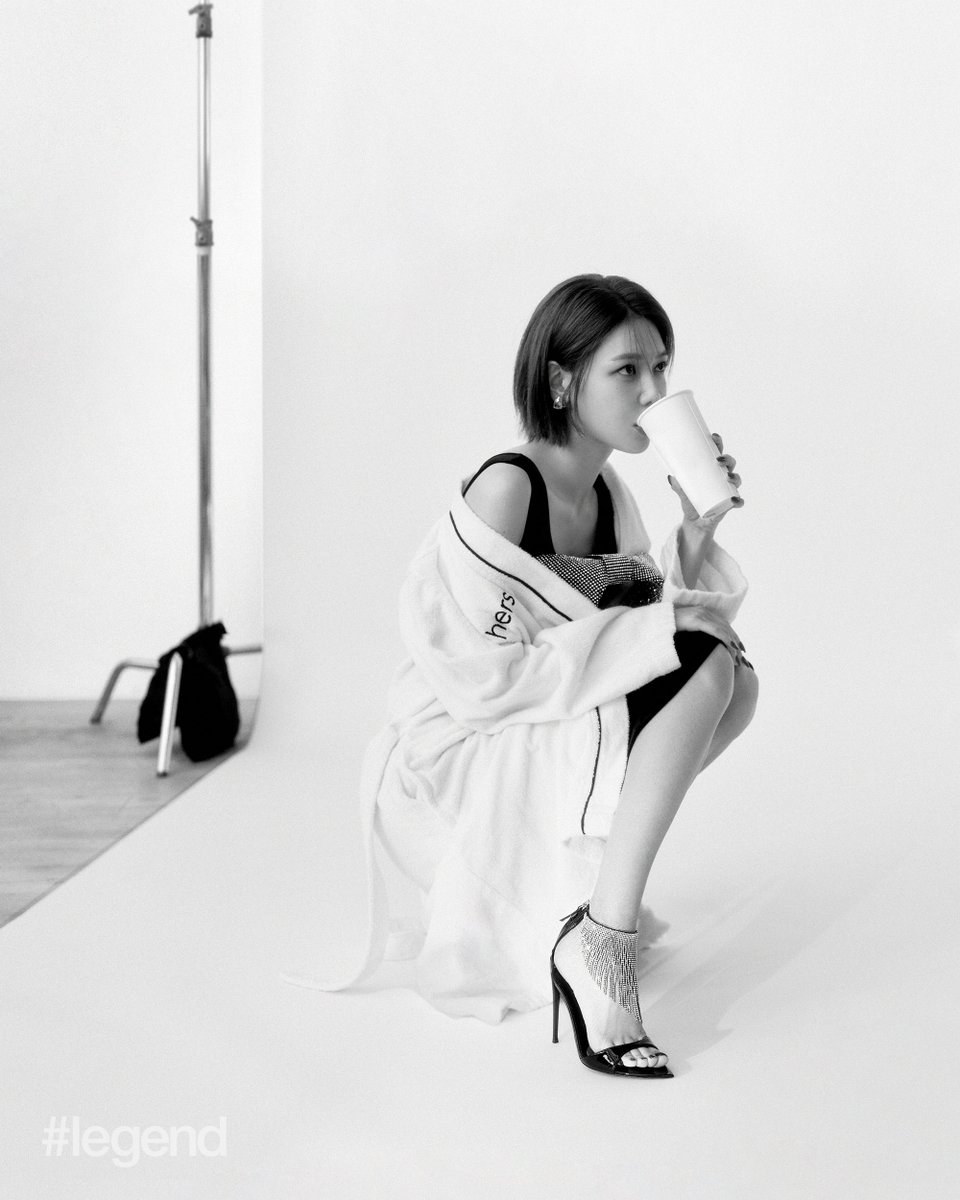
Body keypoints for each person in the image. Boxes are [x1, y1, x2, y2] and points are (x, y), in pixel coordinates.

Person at [322, 273, 757, 1078]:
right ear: (561, 381)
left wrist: (696, 531)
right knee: (699, 661)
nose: (654, 391)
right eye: (628, 371)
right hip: (459, 742)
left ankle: (594, 921)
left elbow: (638, 626)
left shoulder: (608, 493)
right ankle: (602, 946)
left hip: (543, 712)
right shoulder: (506, 487)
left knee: (731, 676)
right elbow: (482, 682)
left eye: (662, 367)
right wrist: (659, 631)